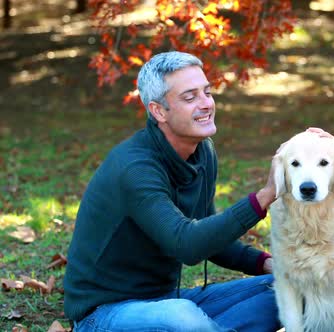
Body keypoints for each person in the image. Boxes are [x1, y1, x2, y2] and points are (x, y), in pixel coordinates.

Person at [63, 51, 281, 332]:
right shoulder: (135, 168)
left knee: (292, 289)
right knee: (183, 318)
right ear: (158, 111)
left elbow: (209, 237)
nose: (206, 104)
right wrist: (265, 196)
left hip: (167, 301)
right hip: (105, 313)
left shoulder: (202, 152)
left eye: (207, 92)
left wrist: (268, 264)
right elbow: (187, 244)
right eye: (190, 98)